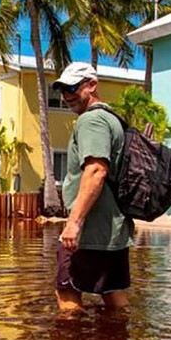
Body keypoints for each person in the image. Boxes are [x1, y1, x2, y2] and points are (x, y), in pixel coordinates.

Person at [51, 63, 133, 313]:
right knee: (112, 292)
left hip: (91, 230)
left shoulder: (92, 120)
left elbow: (96, 170)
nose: (66, 96)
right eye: (62, 90)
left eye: (72, 88)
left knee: (67, 290)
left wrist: (74, 222)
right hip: (112, 229)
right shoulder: (112, 119)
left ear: (92, 85)